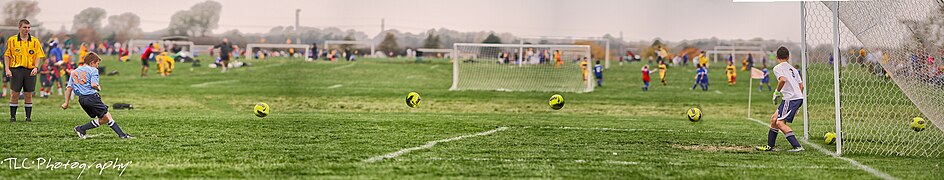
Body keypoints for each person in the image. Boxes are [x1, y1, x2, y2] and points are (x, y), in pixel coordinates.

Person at [62, 53, 132, 139]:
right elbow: (94, 84)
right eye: (97, 64)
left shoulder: (74, 72)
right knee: (106, 117)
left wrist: (66, 103)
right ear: (92, 63)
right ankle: (81, 128)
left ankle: (122, 135)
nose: (98, 66)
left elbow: (69, 88)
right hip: (92, 97)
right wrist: (98, 88)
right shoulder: (93, 70)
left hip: (82, 100)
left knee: (106, 117)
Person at [756, 46, 805, 152]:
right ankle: (770, 146)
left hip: (790, 99)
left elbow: (782, 80)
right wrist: (798, 102)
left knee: (780, 123)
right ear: (788, 57)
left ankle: (797, 147)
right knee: (774, 119)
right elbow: (802, 86)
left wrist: (776, 92)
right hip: (796, 98)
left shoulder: (778, 68)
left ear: (777, 57)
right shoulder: (794, 69)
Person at [3, 19, 44, 122]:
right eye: (25, 27)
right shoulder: (12, 40)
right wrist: (7, 69)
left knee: (28, 94)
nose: (27, 29)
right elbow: (7, 55)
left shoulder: (35, 41)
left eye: (28, 27)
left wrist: (36, 67)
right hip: (16, 69)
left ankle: (28, 117)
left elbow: (38, 55)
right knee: (14, 93)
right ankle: (13, 117)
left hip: (30, 70)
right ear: (19, 27)